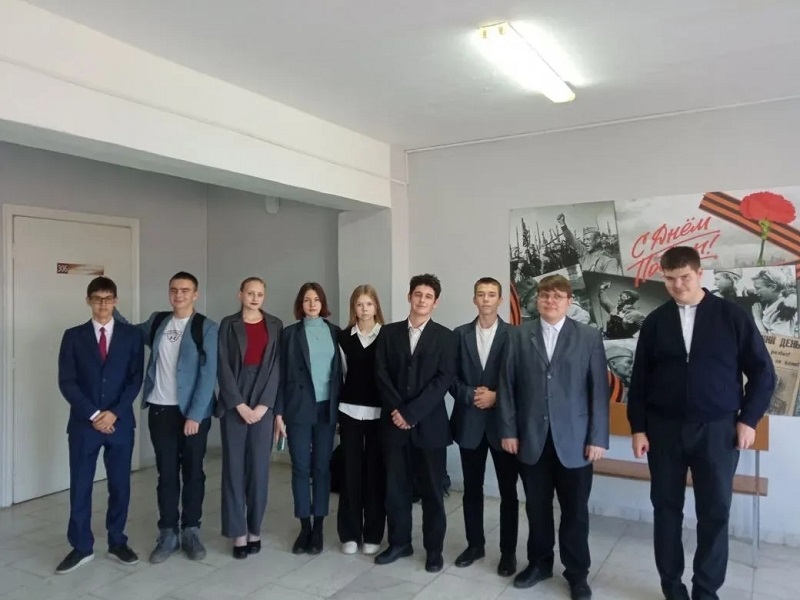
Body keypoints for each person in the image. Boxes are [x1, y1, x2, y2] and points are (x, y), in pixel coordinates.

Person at [627, 246, 775, 600]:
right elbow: (640, 379)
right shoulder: (655, 321)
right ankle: (672, 587)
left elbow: (763, 373)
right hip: (663, 430)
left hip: (718, 431)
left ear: (699, 274)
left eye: (684, 278)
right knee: (666, 510)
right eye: (670, 279)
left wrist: (748, 419)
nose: (677, 285)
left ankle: (706, 590)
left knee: (715, 512)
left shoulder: (732, 316)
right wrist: (638, 427)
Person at [498, 274, 609, 600]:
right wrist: (508, 430)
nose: (550, 301)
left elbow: (598, 392)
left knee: (575, 512)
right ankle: (539, 563)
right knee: (537, 508)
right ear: (537, 299)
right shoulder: (518, 335)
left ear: (569, 302)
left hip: (576, 442)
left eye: (558, 296)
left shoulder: (588, 337)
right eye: (545, 295)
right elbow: (507, 387)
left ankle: (577, 573)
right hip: (531, 439)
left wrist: (598, 437)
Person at [116, 271, 218, 563]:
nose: (178, 295)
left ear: (195, 294)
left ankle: (191, 530)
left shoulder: (206, 327)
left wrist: (195, 415)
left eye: (185, 290)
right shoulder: (158, 321)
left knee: (194, 472)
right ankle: (168, 532)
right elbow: (130, 332)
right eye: (174, 290)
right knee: (167, 473)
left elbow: (209, 374)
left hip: (193, 414)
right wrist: (112, 308)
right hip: (161, 409)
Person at [56, 277, 144, 574]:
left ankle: (117, 541)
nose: (103, 304)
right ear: (88, 301)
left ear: (116, 301)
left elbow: (135, 379)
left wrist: (114, 413)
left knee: (120, 486)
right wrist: (94, 414)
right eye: (97, 298)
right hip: (84, 425)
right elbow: (67, 381)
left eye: (108, 298)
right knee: (81, 486)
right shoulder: (73, 336)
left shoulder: (132, 336)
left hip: (120, 424)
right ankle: (81, 546)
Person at [374, 274, 456, 573]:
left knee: (432, 491)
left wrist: (411, 413)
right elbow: (381, 373)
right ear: (409, 296)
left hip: (430, 427)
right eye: (418, 294)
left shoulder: (446, 337)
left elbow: (443, 380)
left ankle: (434, 550)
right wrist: (399, 410)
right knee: (395, 489)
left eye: (428, 296)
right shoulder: (388, 333)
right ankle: (399, 543)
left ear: (436, 302)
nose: (422, 300)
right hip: (393, 425)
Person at [450, 277, 519, 577]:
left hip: (503, 426)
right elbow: (450, 377)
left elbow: (522, 381)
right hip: (469, 423)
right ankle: (475, 545)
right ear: (474, 299)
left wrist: (496, 397)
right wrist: (471, 395)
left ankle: (508, 553)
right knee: (471, 489)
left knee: (508, 492)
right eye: (481, 294)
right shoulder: (459, 334)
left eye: (492, 294)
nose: (486, 299)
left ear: (500, 300)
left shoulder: (514, 335)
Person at [217, 277, 283, 558]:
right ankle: (238, 533)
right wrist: (239, 405)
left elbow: (277, 367)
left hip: (263, 398)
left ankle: (255, 529)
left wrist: (264, 406)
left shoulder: (275, 324)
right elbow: (222, 366)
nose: (255, 298)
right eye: (250, 293)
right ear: (240, 294)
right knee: (233, 469)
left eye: (260, 294)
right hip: (235, 398)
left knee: (259, 470)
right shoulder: (227, 324)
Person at [275, 282, 342, 555]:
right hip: (298, 408)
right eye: (307, 300)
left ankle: (319, 527)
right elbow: (280, 375)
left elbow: (342, 374)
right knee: (301, 468)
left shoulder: (335, 332)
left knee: (322, 468)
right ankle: (304, 526)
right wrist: (278, 413)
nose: (312, 304)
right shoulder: (289, 334)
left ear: (323, 303)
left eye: (316, 299)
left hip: (327, 409)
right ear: (300, 305)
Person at [337, 285, 386, 556]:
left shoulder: (387, 336)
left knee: (375, 474)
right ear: (353, 308)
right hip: (350, 412)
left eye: (368, 304)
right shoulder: (344, 338)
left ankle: (373, 533)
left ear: (376, 306)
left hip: (379, 414)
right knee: (350, 474)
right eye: (359, 304)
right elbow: (342, 374)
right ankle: (349, 533)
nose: (364, 309)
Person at [557, 213, 621, 274]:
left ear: (597, 239)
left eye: (588, 239)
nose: (585, 242)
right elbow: (572, 240)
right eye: (584, 240)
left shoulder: (608, 260)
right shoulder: (585, 253)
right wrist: (563, 225)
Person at [749, 269, 798, 337]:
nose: (755, 292)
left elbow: (774, 342)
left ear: (773, 287)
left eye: (758, 288)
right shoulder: (768, 302)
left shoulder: (784, 311)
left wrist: (758, 319)